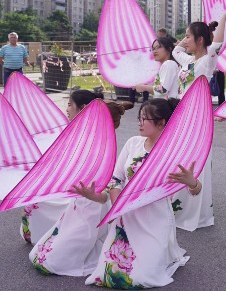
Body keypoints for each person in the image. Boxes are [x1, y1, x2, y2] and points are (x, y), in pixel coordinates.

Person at [84, 98, 198, 288]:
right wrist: (117, 207)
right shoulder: (133, 143)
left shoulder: (174, 152)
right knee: (107, 275)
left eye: (145, 119)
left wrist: (192, 182)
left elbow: (195, 190)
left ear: (161, 123)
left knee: (140, 278)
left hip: (155, 218)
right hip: (126, 214)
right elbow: (117, 178)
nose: (139, 122)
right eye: (140, 118)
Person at [28, 90, 130, 277]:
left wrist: (91, 195)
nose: (66, 109)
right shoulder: (84, 137)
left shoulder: (100, 143)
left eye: (69, 104)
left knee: (49, 261)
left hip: (92, 205)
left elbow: (105, 188)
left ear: (83, 109)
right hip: (79, 201)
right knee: (40, 256)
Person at [171, 11, 226, 231]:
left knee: (197, 161)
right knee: (180, 159)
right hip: (180, 117)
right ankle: (179, 205)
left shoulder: (207, 62)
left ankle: (199, 212)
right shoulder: (187, 61)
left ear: (200, 41)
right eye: (185, 36)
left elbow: (218, 43)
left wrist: (223, 19)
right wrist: (185, 40)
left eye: (189, 36)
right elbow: (176, 50)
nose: (185, 40)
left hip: (197, 119)